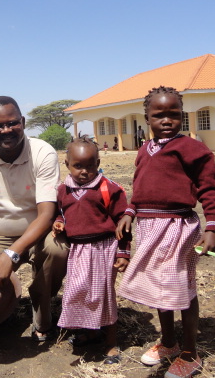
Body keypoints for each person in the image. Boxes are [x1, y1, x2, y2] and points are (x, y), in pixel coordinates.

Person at [116, 86, 215, 378]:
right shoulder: (144, 150)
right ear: (147, 118)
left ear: (182, 117)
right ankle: (169, 342)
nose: (166, 120)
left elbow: (209, 189)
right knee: (158, 288)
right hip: (148, 226)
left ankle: (190, 353)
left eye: (173, 114)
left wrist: (213, 226)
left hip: (177, 226)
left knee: (180, 287)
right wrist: (129, 212)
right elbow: (139, 190)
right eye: (158, 115)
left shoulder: (193, 149)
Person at [0, 96, 69, 341]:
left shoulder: (42, 152)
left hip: (41, 231)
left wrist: (11, 255)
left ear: (23, 122)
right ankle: (3, 306)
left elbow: (47, 215)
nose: (5, 130)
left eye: (12, 123)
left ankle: (41, 304)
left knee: (58, 250)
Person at [52, 136, 129, 363]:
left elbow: (123, 222)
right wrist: (59, 222)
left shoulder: (108, 189)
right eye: (78, 166)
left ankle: (111, 343)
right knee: (79, 292)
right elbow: (62, 212)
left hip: (103, 249)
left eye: (90, 165)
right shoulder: (62, 190)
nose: (84, 171)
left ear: (98, 162)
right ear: (67, 164)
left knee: (103, 295)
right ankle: (90, 331)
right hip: (78, 250)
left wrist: (123, 252)